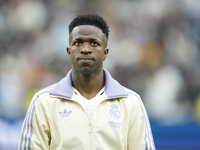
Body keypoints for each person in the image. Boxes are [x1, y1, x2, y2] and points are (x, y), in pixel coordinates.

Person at [18, 14, 155, 150]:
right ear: (69, 51)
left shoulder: (131, 103)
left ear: (105, 53)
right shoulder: (43, 102)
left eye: (94, 43)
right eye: (78, 43)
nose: (85, 49)